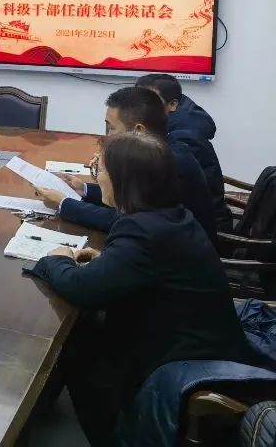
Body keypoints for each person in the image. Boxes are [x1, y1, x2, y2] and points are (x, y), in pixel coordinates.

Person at [30, 132, 256, 446]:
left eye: (100, 170)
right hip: (207, 341)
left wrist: (57, 258)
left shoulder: (141, 230)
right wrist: (110, 262)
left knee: (76, 341)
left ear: (124, 180)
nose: (98, 178)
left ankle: (112, 436)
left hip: (180, 361)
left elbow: (82, 289)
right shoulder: (172, 216)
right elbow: (151, 269)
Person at [35, 86, 217, 242]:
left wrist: (64, 203)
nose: (108, 136)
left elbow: (122, 220)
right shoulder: (161, 149)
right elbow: (130, 201)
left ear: (138, 131)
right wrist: (84, 189)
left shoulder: (165, 162)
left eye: (111, 128)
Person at [136, 73, 230, 230]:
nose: (139, 107)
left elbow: (150, 197)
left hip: (199, 229)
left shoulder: (184, 140)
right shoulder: (170, 120)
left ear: (173, 104)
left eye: (149, 101)